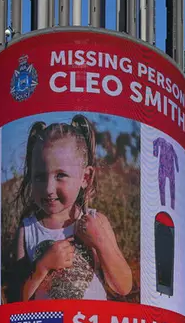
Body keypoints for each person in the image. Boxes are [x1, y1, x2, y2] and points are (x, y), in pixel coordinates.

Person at [15, 115, 132, 302]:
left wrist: (100, 241)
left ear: (85, 177)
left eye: (60, 175)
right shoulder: (27, 230)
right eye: (39, 177)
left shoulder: (97, 221)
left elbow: (123, 286)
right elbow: (17, 297)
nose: (48, 189)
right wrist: (42, 267)